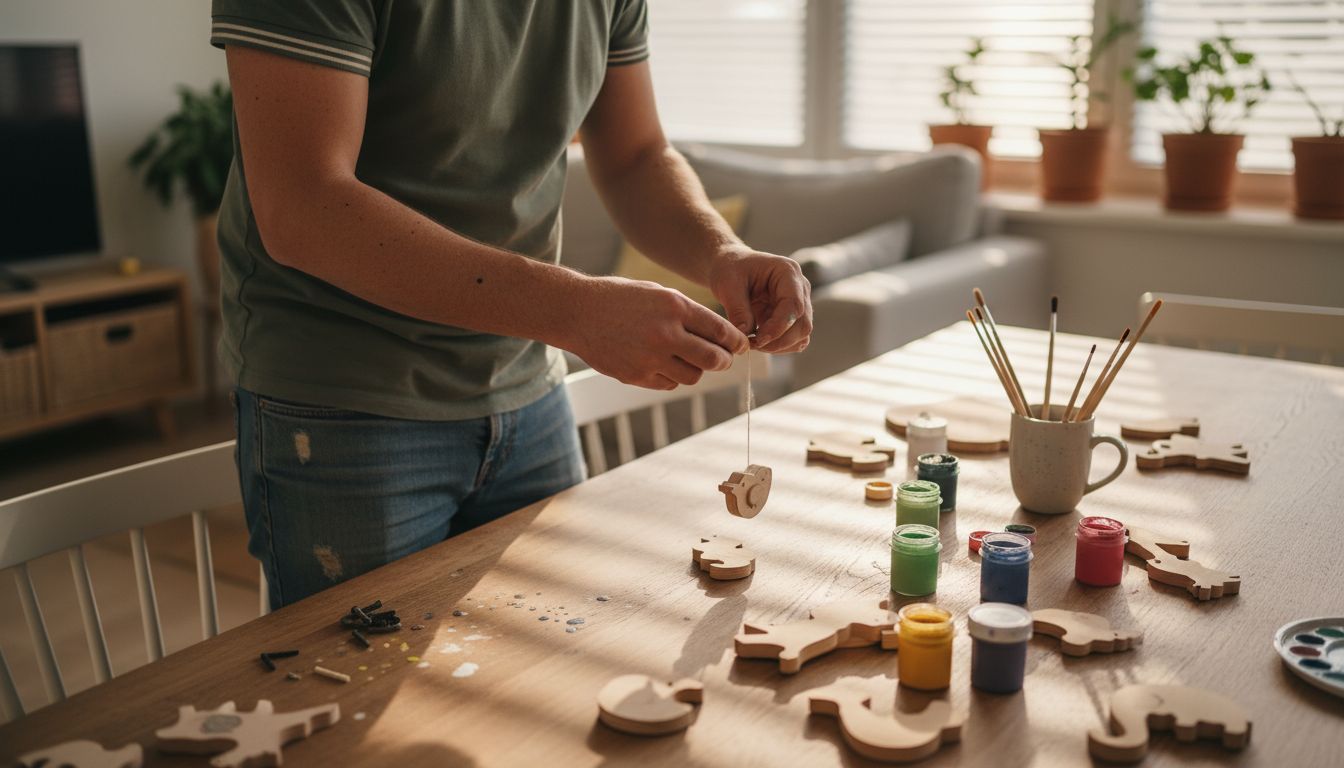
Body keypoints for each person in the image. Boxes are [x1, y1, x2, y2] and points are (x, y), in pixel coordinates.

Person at [211, 0, 813, 609]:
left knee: (546, 665)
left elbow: (635, 156)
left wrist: (721, 253)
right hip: (345, 401)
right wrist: (575, 311)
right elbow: (302, 205)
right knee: (365, 689)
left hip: (528, 388)